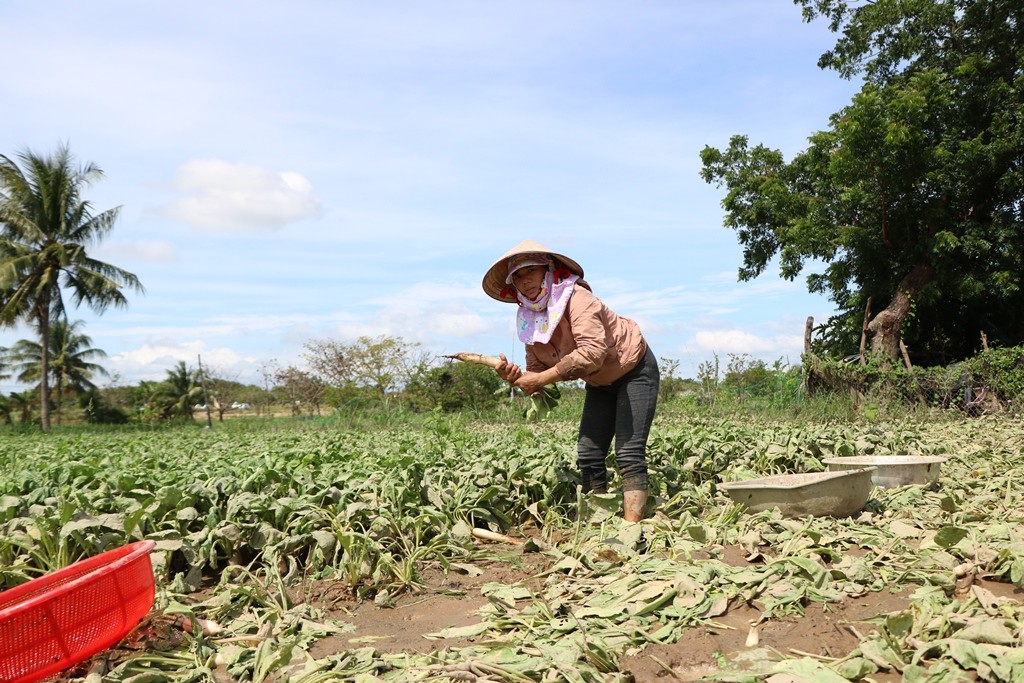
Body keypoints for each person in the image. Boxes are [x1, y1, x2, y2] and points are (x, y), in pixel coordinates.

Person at [481, 239, 659, 522]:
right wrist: (515, 378)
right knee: (589, 453)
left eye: (531, 272)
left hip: (632, 368)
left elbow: (592, 352)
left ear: (548, 270)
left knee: (628, 452)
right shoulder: (530, 318)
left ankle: (631, 530)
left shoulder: (577, 298)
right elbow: (537, 373)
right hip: (600, 383)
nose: (525, 281)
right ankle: (597, 521)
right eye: (518, 276)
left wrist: (540, 379)